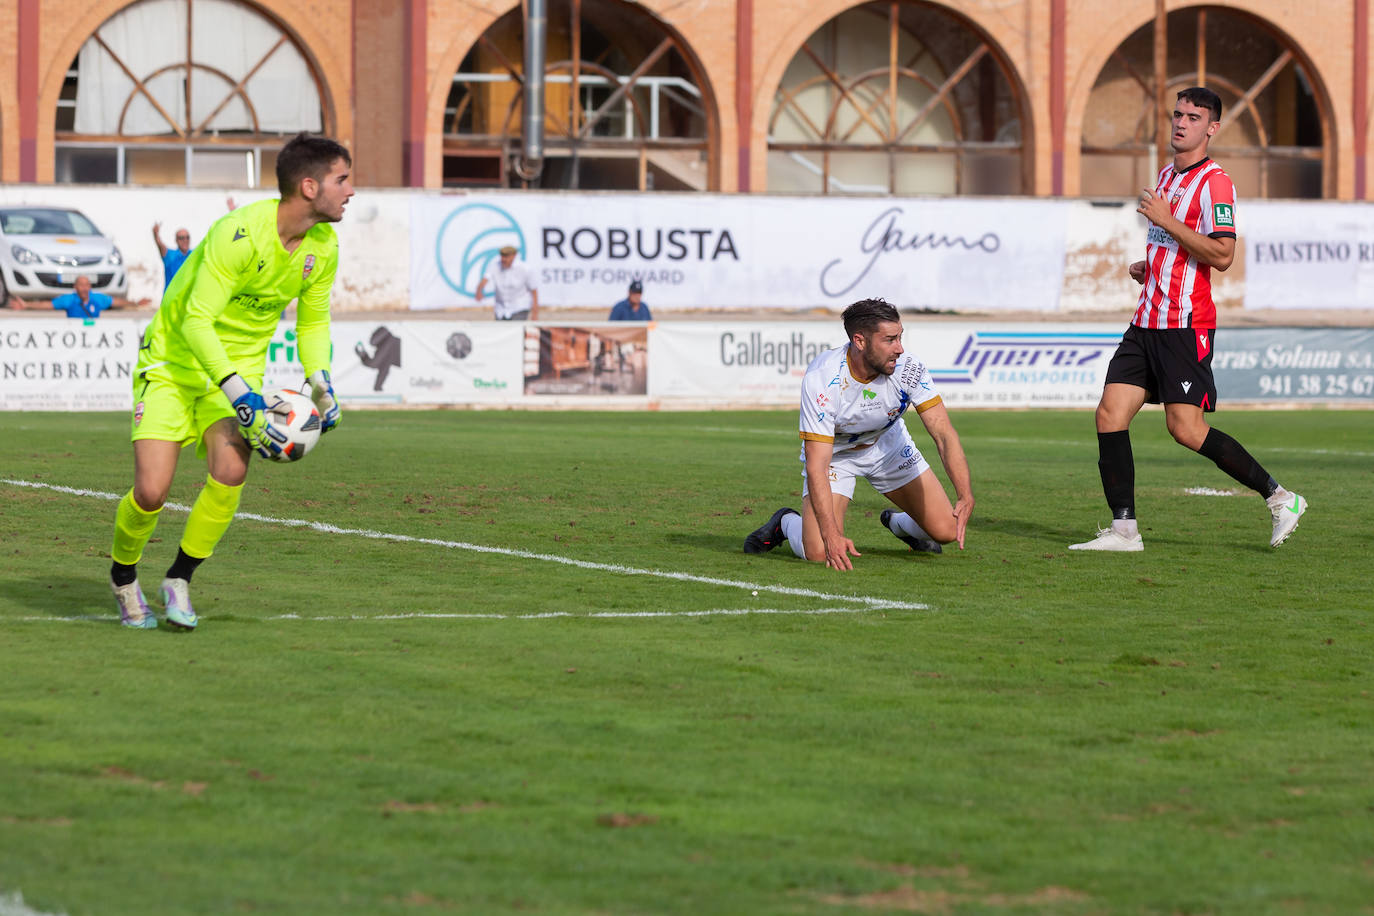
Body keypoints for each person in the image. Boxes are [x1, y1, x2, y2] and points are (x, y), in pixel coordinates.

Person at [107, 132, 351, 629]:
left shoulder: (324, 246)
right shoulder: (237, 233)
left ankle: (179, 579)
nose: (351, 191)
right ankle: (123, 577)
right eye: (342, 179)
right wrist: (242, 395)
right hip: (174, 362)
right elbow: (196, 320)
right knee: (152, 491)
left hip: (238, 368)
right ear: (309, 186)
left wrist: (320, 380)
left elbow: (312, 321)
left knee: (231, 472)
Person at [1069, 87, 1306, 553]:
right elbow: (1172, 245)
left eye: (1193, 117)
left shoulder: (1215, 183)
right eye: (1177, 114)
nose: (1181, 122)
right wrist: (1148, 266)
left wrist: (1165, 220)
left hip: (1185, 324)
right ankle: (1124, 531)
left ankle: (1280, 498)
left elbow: (1222, 254)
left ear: (1211, 128)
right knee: (1109, 415)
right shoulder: (1165, 174)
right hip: (1146, 321)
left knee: (1186, 429)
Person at [743, 297, 974, 570]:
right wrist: (831, 536)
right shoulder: (823, 378)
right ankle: (786, 523)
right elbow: (817, 465)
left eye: (900, 337)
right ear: (860, 341)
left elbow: (944, 433)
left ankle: (899, 524)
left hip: (889, 448)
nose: (899, 348)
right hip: (836, 457)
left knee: (947, 530)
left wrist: (964, 493)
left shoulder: (908, 367)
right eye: (889, 340)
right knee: (819, 551)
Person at [8, 274, 142, 315]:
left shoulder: (97, 299)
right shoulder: (70, 299)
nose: (84, 288)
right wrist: (26, 305)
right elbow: (48, 304)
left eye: (86, 285)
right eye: (81, 285)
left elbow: (116, 302)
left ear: (90, 287)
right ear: (75, 287)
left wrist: (135, 303)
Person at [475, 244, 538, 320]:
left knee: (516, 330)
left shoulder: (525, 269)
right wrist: (479, 290)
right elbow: (485, 279)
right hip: (501, 309)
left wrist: (535, 313)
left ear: (514, 256)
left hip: (519, 307)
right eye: (502, 256)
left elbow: (534, 291)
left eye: (506, 256)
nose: (503, 259)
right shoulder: (495, 266)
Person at [152, 223, 193, 287]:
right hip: (172, 296)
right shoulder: (170, 255)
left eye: (187, 237)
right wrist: (155, 234)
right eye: (181, 238)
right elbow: (160, 245)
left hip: (188, 296)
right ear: (176, 240)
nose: (185, 240)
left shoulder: (193, 254)